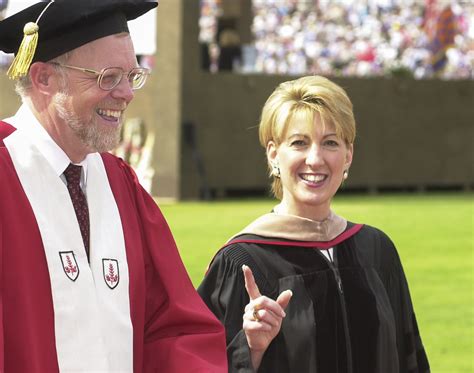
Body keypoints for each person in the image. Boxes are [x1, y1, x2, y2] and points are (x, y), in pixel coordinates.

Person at [0, 1, 227, 372]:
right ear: (43, 78)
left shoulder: (119, 184)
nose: (127, 93)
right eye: (108, 77)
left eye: (132, 75)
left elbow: (172, 327)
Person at [198, 75, 430, 373]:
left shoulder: (376, 250)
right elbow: (198, 362)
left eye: (330, 143)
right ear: (273, 155)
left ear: (348, 156)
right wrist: (251, 349)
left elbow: (410, 359)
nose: (315, 159)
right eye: (299, 143)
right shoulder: (242, 262)